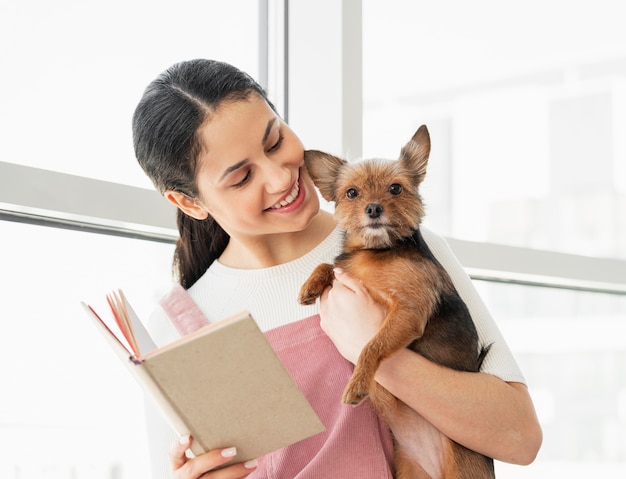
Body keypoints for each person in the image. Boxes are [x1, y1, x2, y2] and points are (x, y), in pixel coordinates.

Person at [132, 59, 542, 479]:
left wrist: (381, 356)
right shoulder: (174, 328)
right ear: (189, 202)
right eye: (241, 178)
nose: (280, 177)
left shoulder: (402, 243)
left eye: (275, 142)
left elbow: (520, 437)